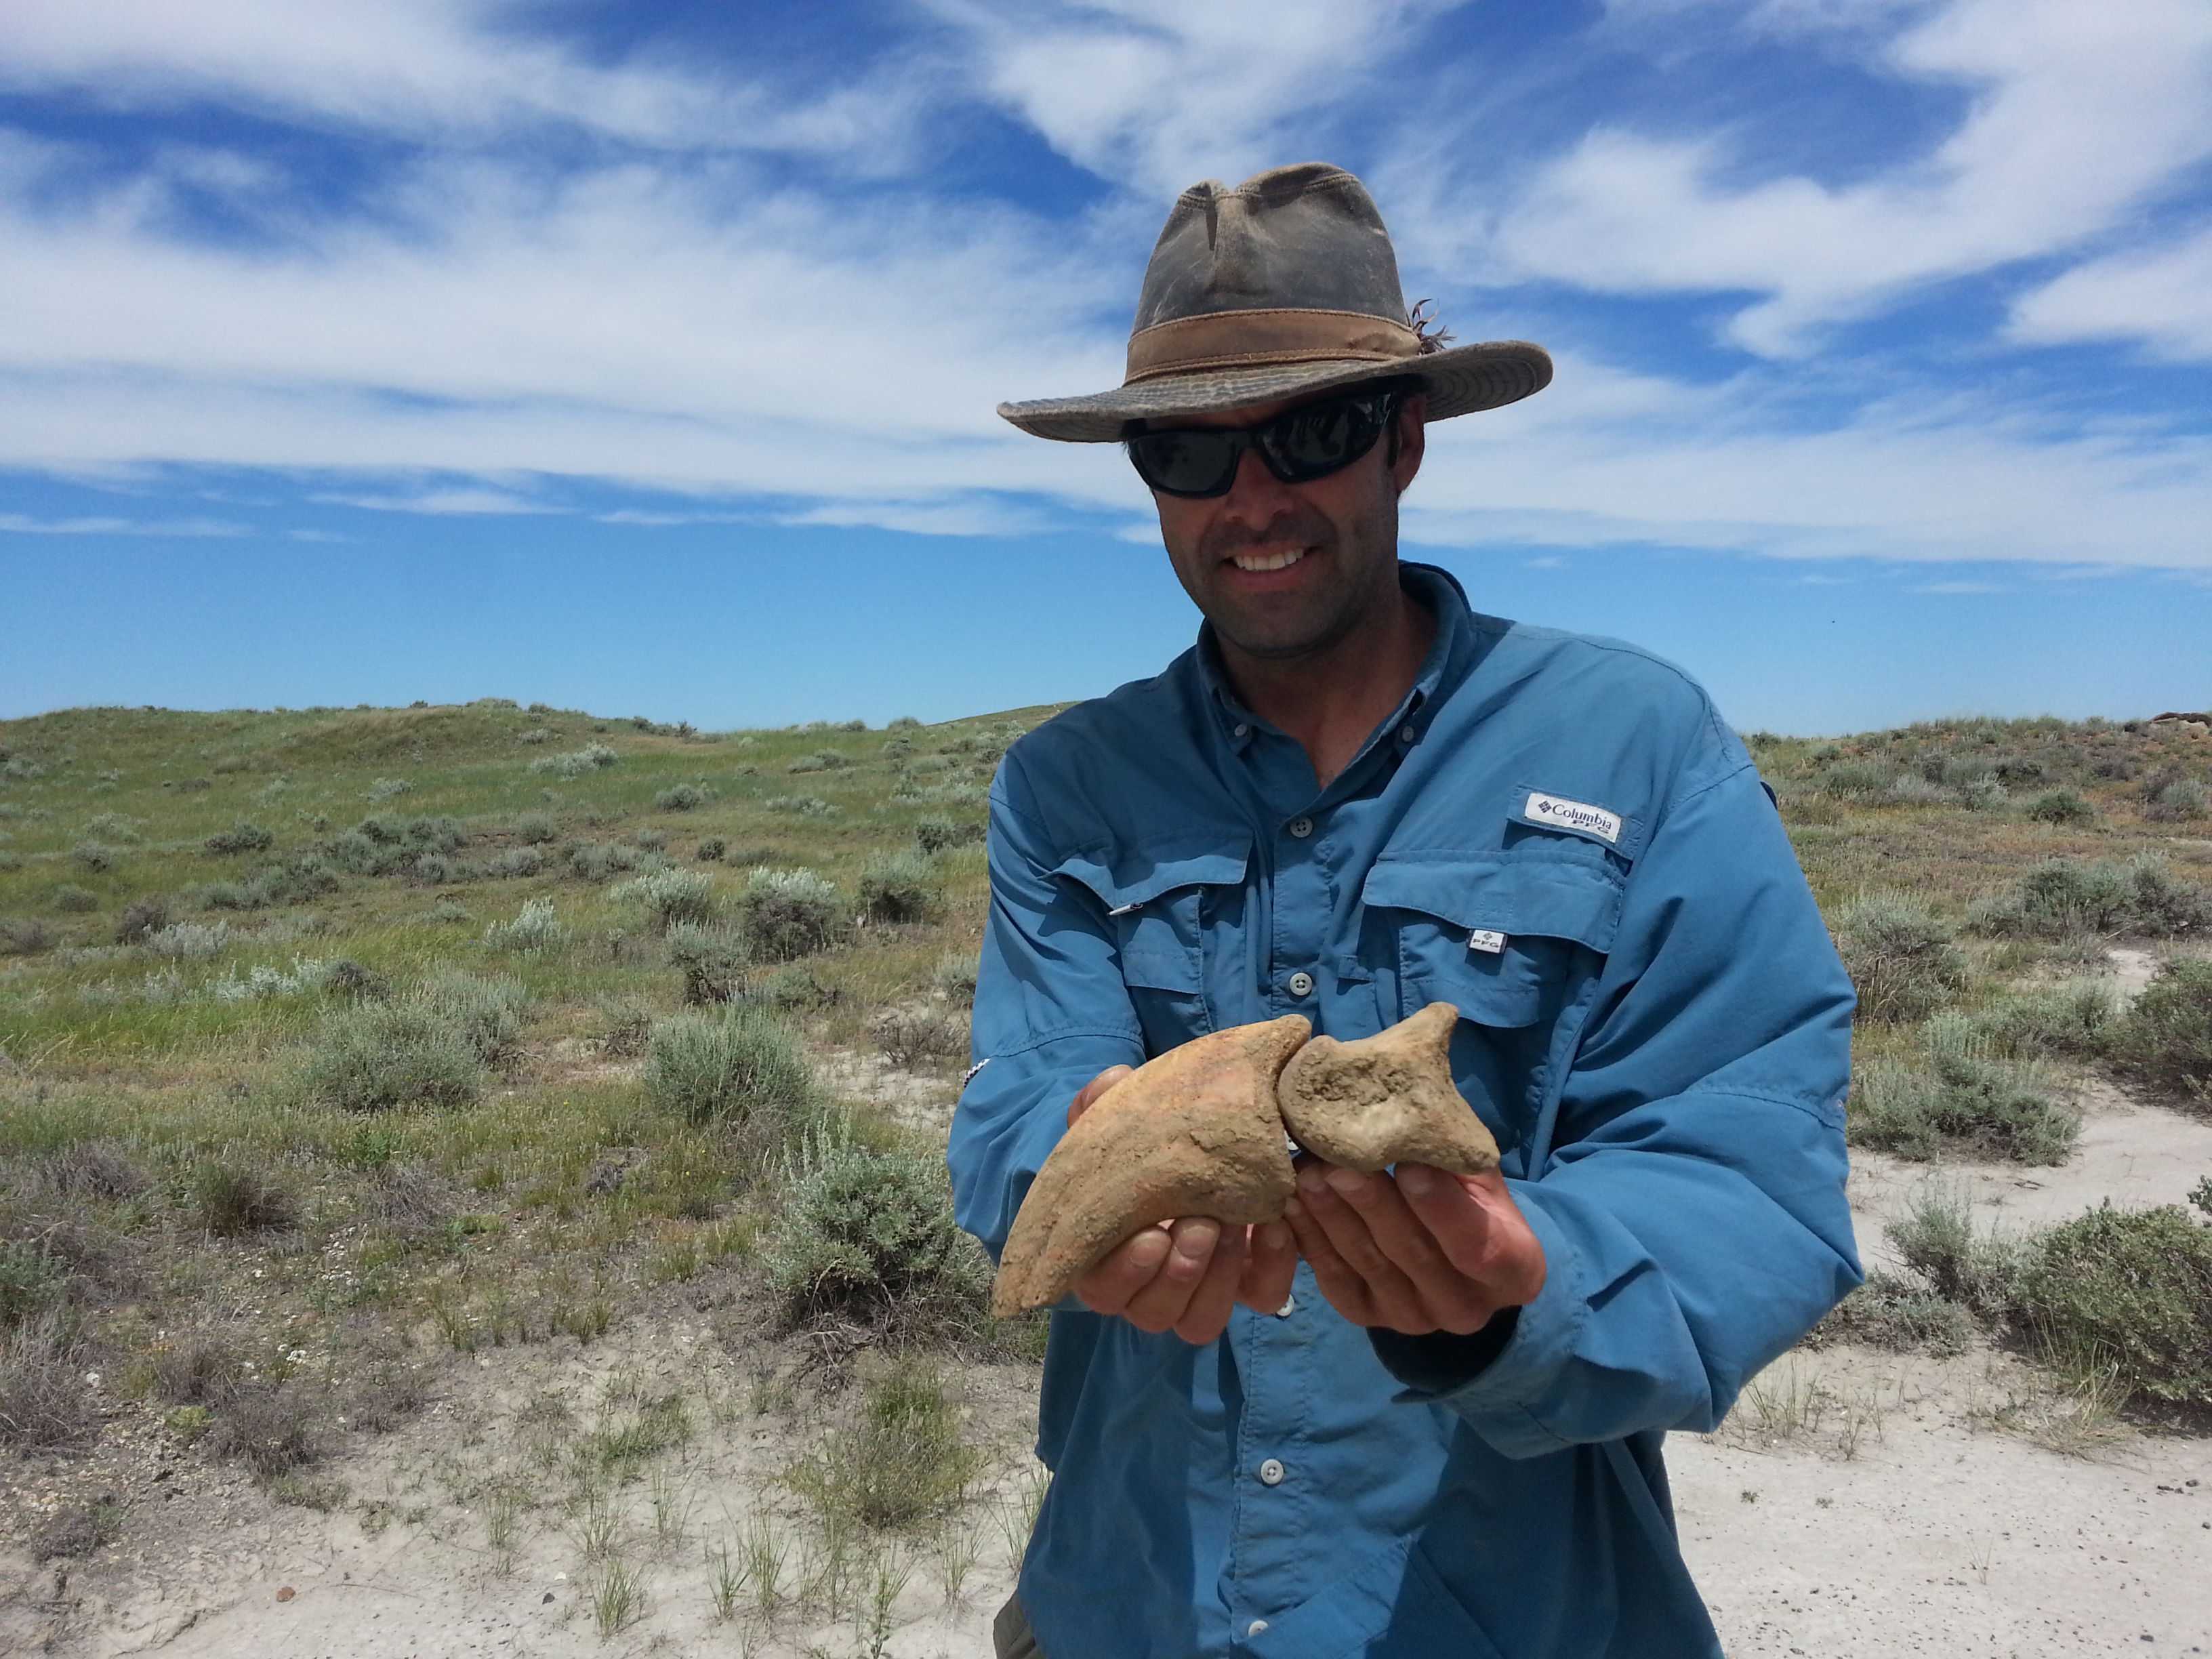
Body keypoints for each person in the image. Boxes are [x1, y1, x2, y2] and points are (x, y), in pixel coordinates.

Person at [947, 162, 1859, 1659]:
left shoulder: (1633, 743)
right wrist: (1076, 1153)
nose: (1251, 499)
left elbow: (1750, 1174)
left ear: (1404, 443)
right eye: (1188, 452)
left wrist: (1524, 1287)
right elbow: (1014, 1099)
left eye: (1310, 432)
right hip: (1132, 1591)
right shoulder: (1068, 784)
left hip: (1505, 1606)